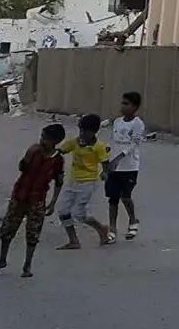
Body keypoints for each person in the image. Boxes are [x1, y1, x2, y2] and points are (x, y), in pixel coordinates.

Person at [0, 122, 66, 278]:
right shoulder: (34, 151)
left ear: (55, 141)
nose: (42, 140)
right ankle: (2, 259)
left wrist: (52, 202)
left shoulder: (58, 160)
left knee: (33, 234)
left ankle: (27, 265)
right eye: (42, 137)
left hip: (37, 199)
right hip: (20, 195)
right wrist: (28, 156)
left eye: (46, 138)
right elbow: (22, 168)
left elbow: (58, 181)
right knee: (7, 229)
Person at [56, 113, 114, 248]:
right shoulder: (75, 142)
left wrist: (105, 173)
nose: (81, 134)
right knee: (63, 211)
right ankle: (73, 240)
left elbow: (105, 162)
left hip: (88, 182)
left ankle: (101, 228)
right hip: (73, 181)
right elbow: (62, 150)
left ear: (94, 132)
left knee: (78, 213)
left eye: (85, 131)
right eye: (80, 130)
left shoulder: (98, 147)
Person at [107, 91, 146, 240]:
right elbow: (113, 141)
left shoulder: (138, 124)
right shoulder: (117, 122)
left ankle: (132, 219)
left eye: (126, 104)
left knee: (125, 196)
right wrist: (108, 159)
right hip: (114, 167)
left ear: (135, 107)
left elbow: (133, 145)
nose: (123, 106)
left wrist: (119, 158)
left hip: (129, 167)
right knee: (113, 198)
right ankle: (112, 228)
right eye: (122, 103)